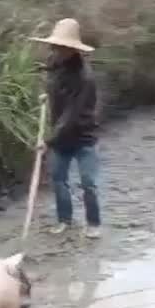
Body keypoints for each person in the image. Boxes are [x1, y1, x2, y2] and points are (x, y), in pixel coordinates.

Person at [32, 18, 101, 238]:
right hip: (60, 135)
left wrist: (48, 141)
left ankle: (93, 224)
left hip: (82, 136)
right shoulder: (55, 59)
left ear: (73, 49)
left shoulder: (85, 78)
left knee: (88, 182)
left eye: (62, 47)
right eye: (55, 46)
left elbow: (71, 116)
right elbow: (50, 73)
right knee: (59, 179)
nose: (56, 50)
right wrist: (46, 92)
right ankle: (65, 220)